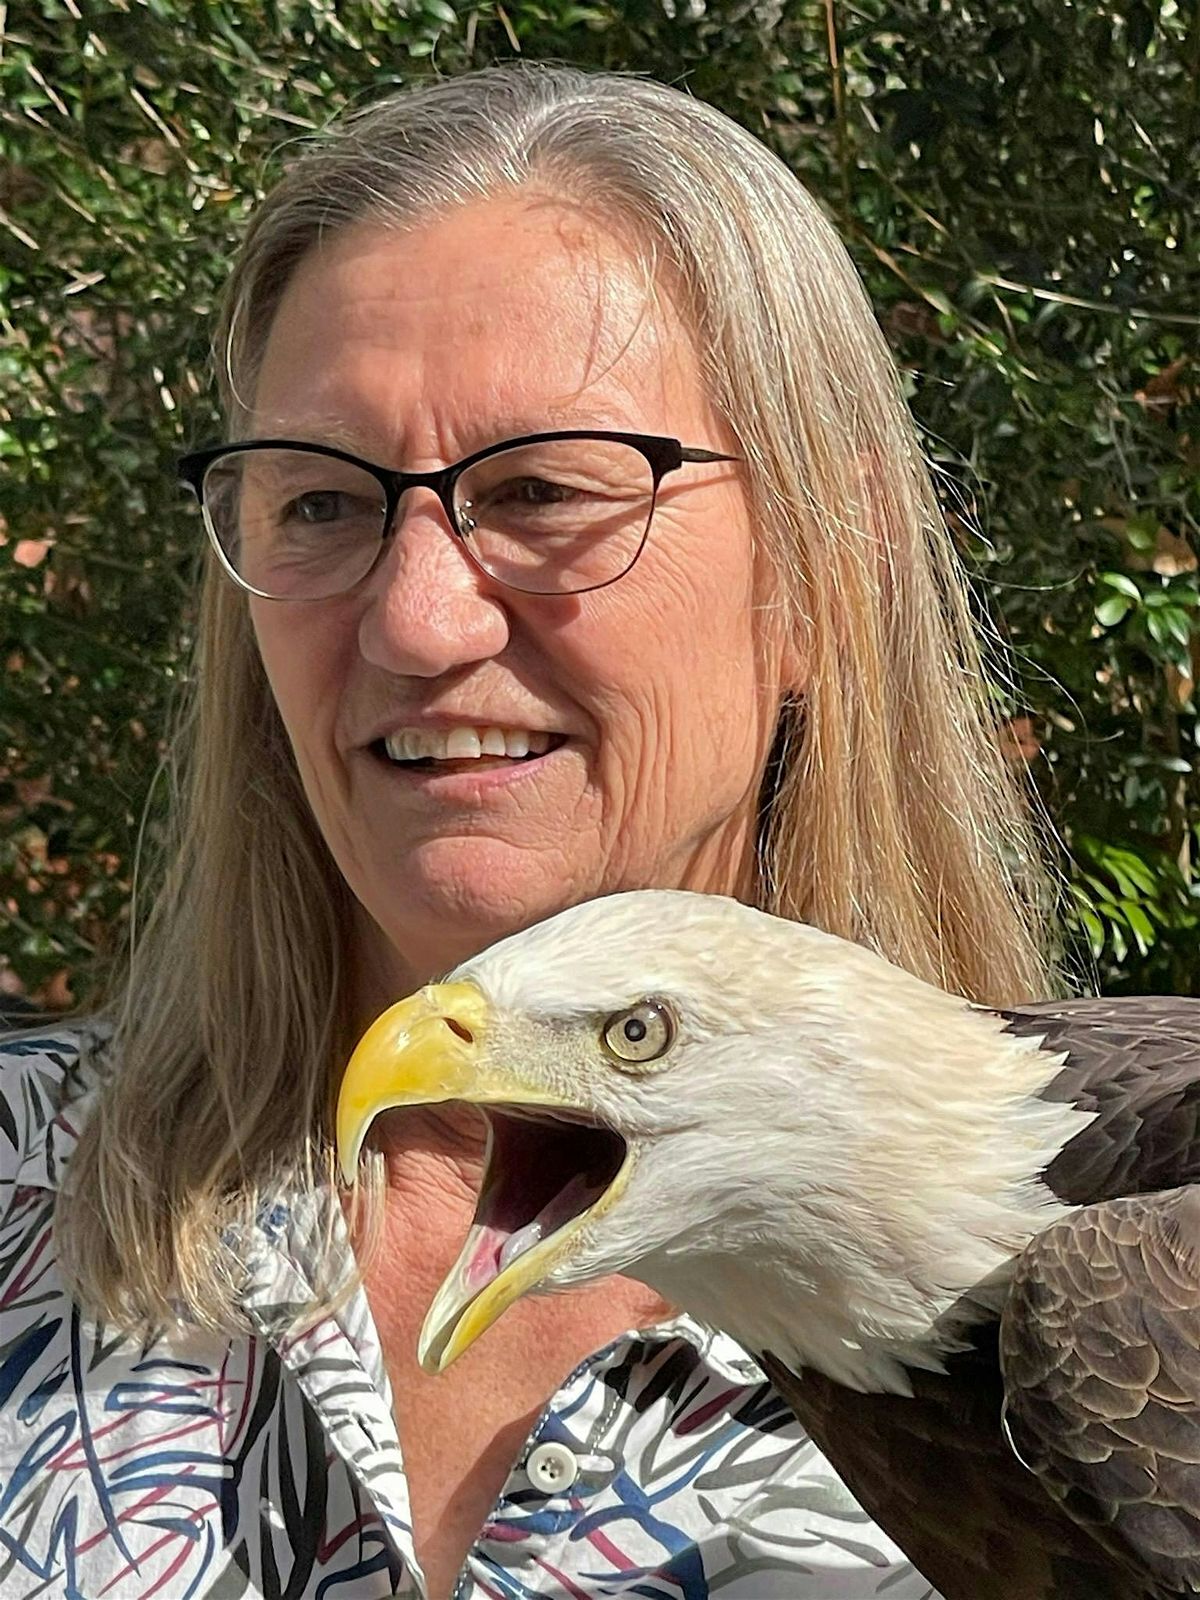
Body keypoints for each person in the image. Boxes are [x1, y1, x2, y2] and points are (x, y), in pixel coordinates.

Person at [0, 63, 1055, 1599]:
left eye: (549, 488)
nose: (418, 622)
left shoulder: (1100, 1314)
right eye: (319, 505)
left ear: (831, 571)